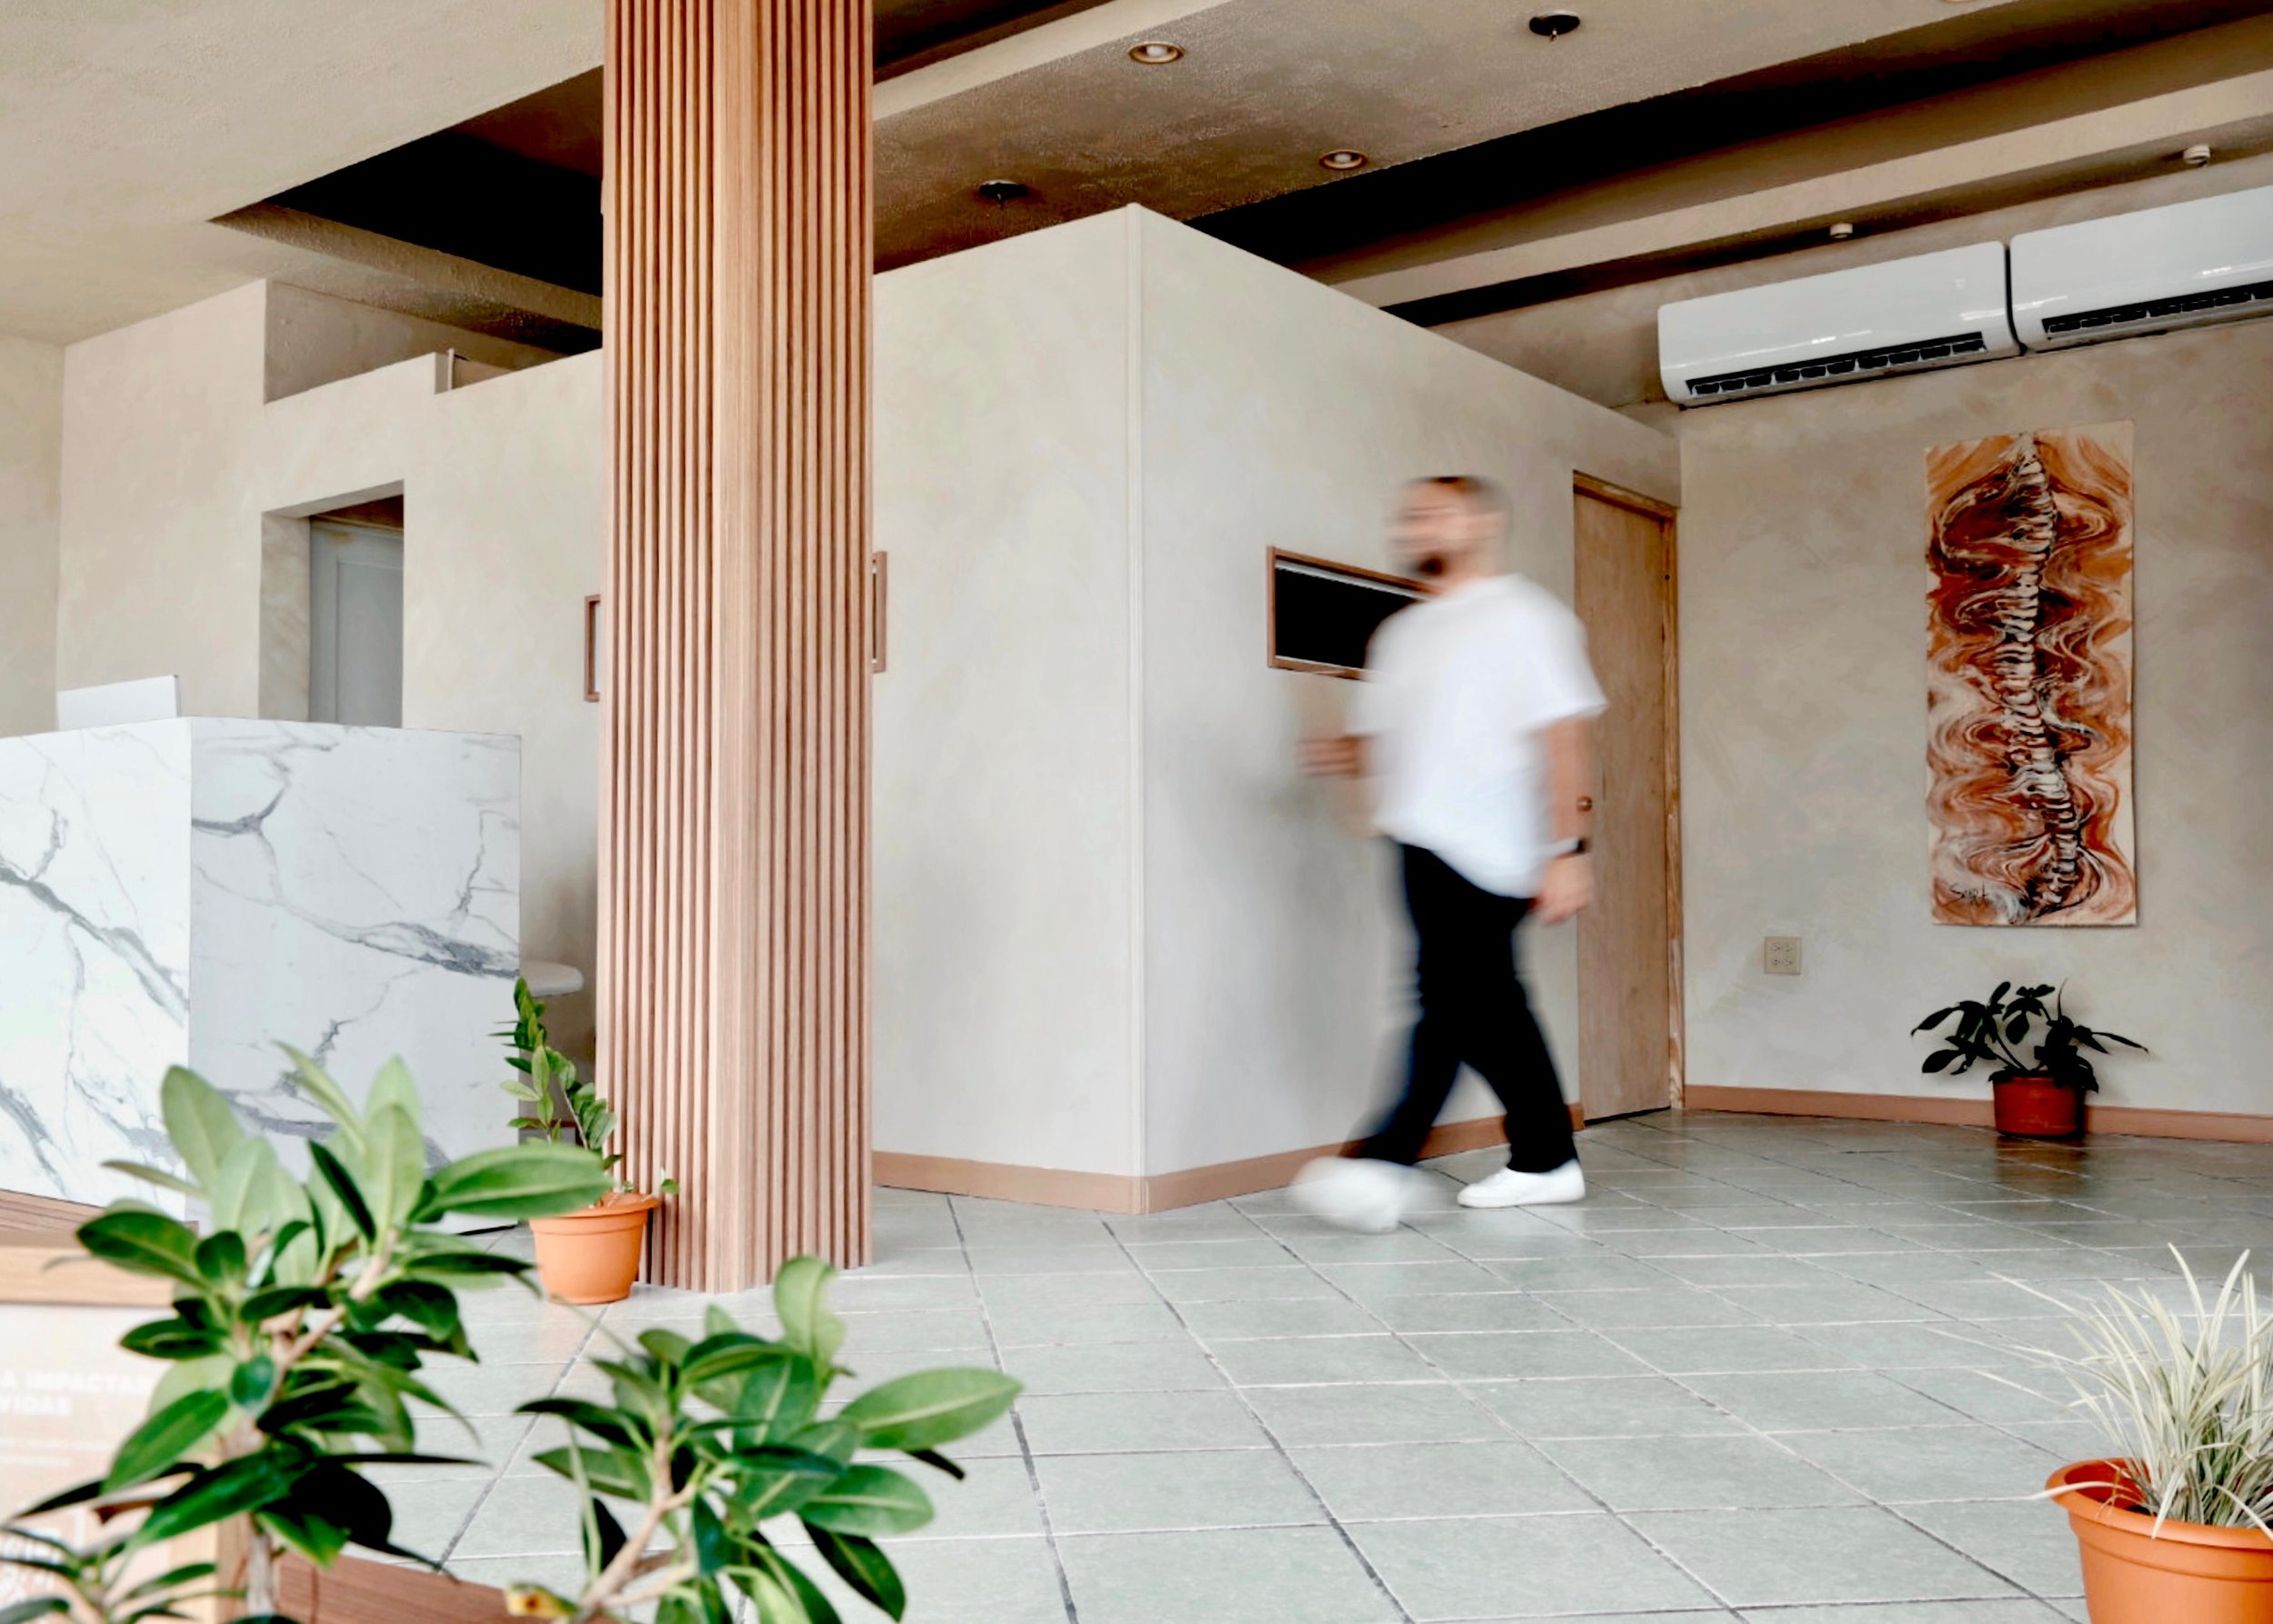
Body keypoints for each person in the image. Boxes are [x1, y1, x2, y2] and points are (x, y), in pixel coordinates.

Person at [1292, 475, 1604, 1233]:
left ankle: (1383, 1162)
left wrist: (1569, 848)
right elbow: (1388, 739)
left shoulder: (1526, 618)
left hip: (1495, 846)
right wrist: (1345, 752)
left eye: (1441, 512)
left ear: (1484, 524)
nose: (1422, 523)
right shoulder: (1404, 632)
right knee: (1490, 1007)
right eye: (1414, 514)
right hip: (1416, 838)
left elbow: (1562, 738)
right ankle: (1545, 1158)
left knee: (1448, 1004)